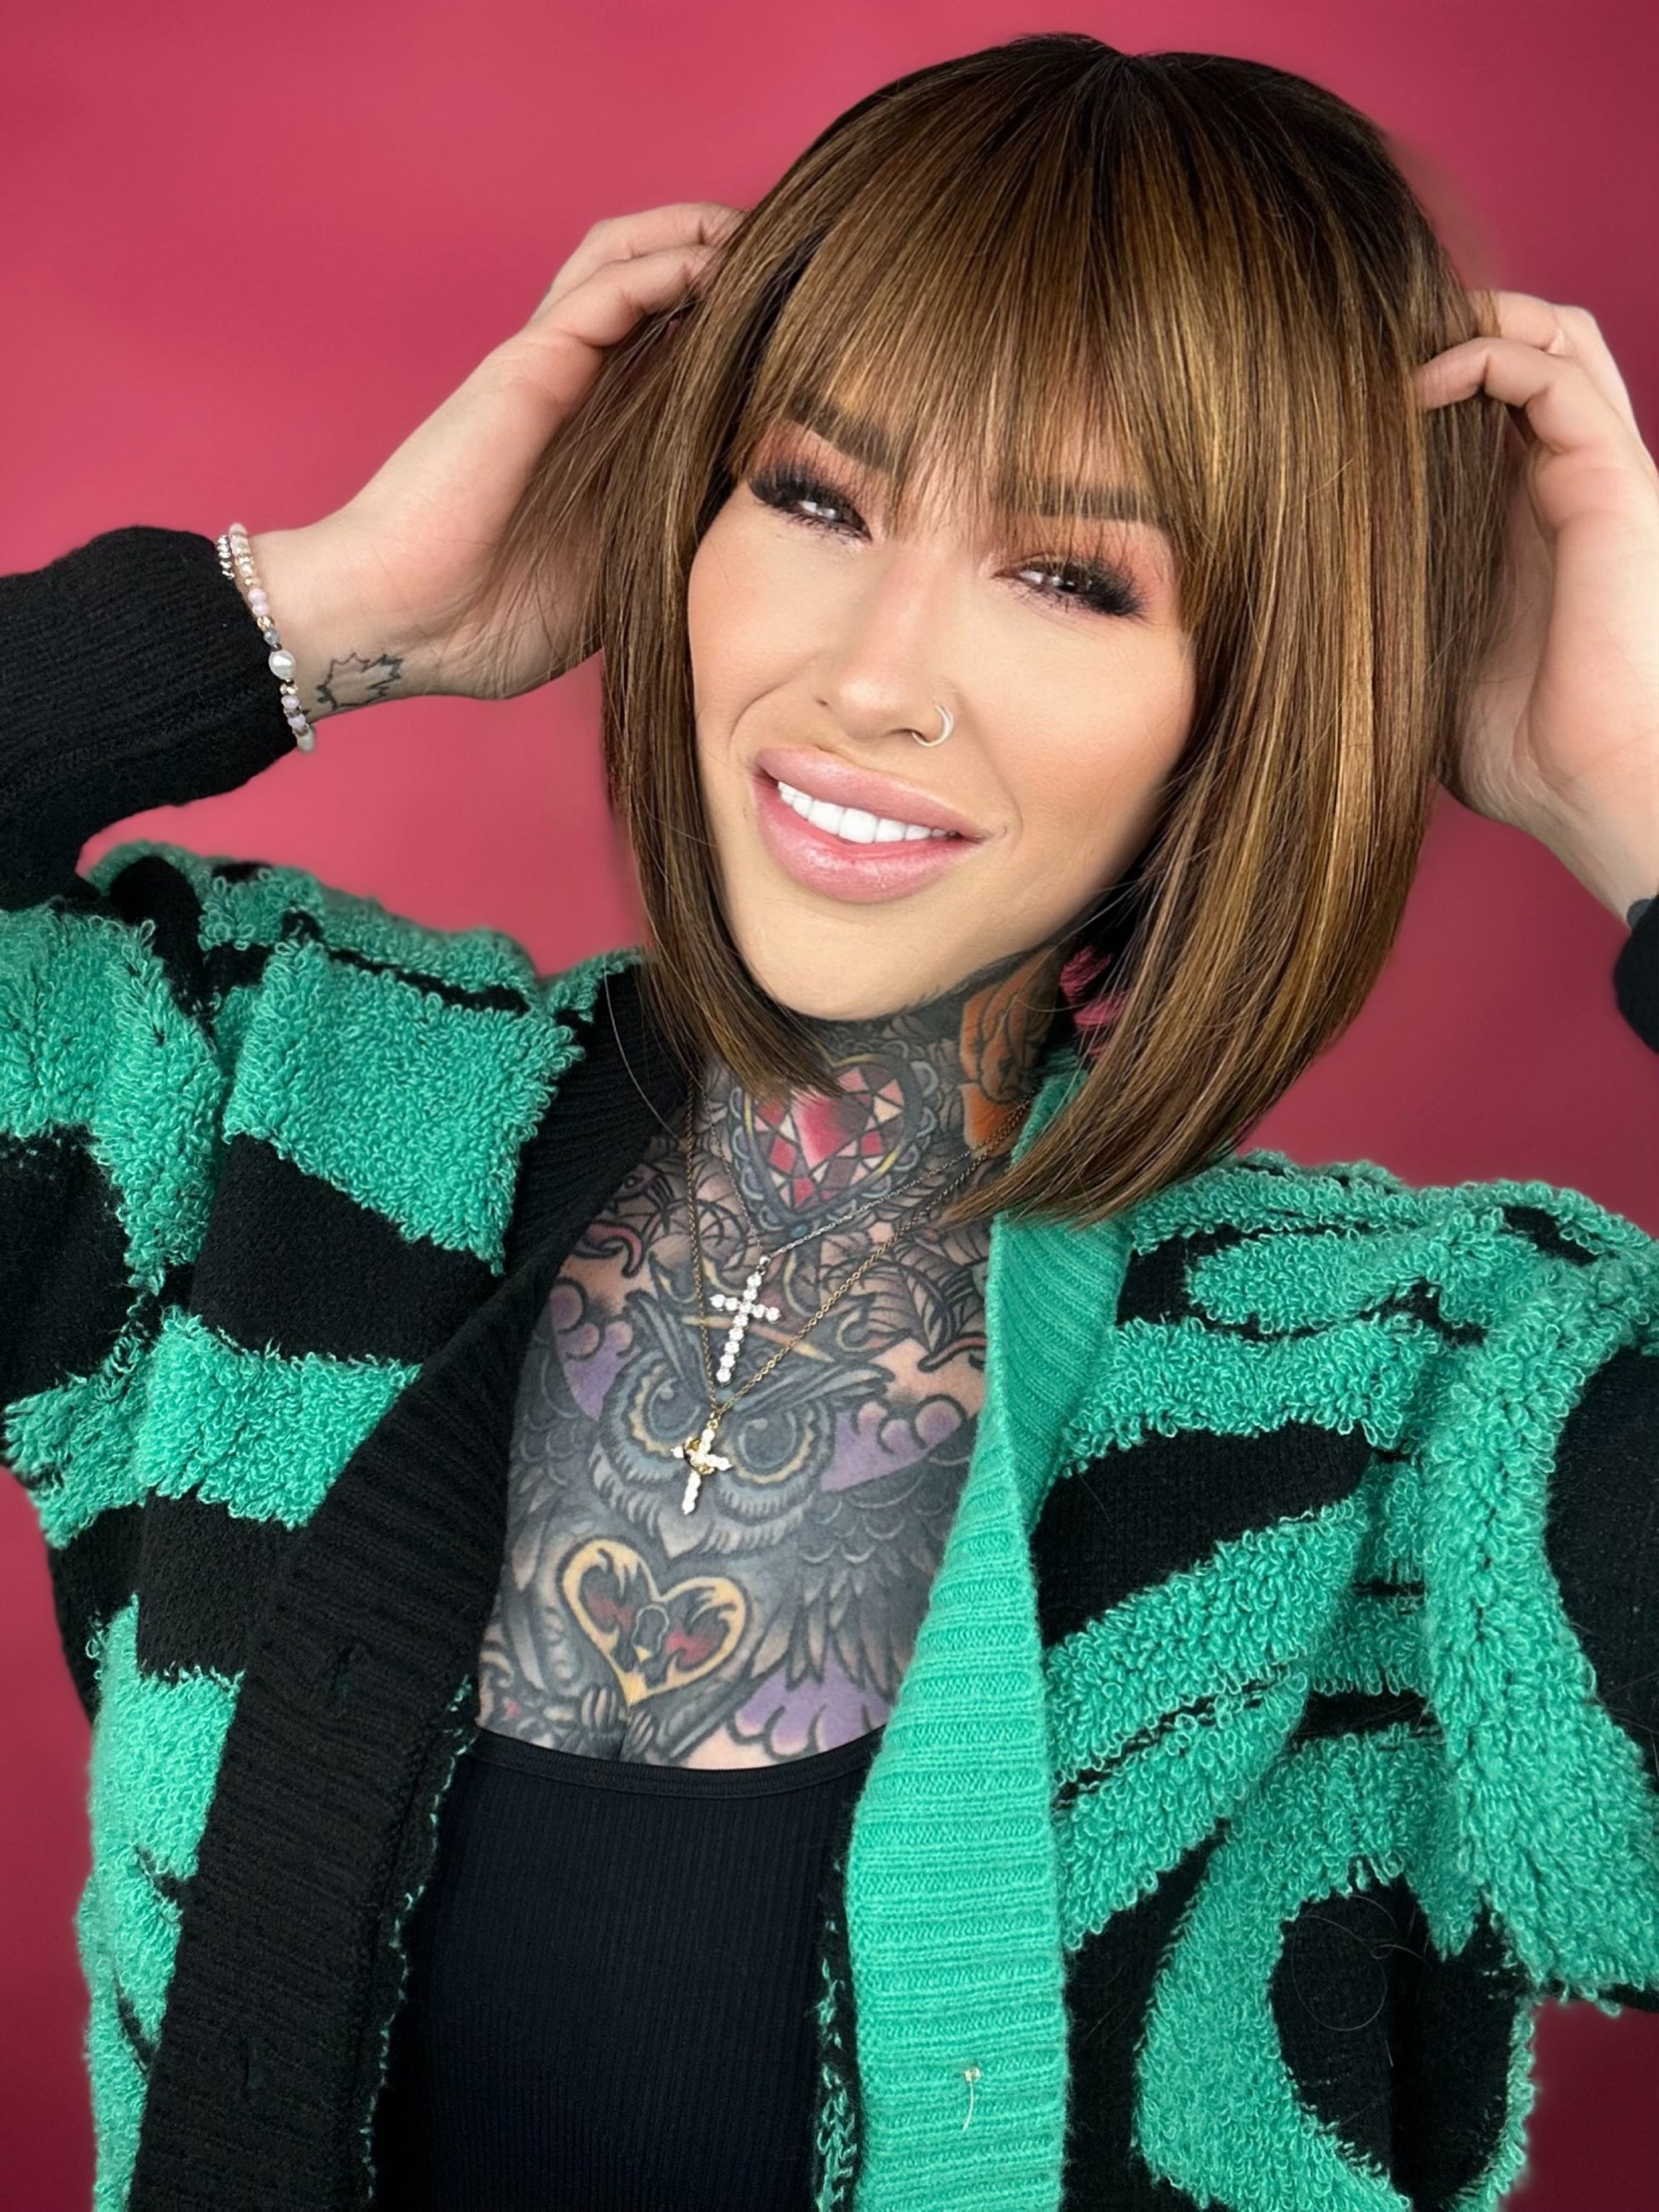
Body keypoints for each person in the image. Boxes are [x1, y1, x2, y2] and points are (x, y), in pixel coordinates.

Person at [2, 31, 1655, 2212]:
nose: (875, 674)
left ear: (1262, 685)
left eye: (1073, 577)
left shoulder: (1418, 1397)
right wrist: (312, 614)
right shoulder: (268, 1106)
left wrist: (1640, 807)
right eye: (812, 495)